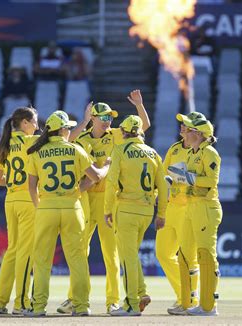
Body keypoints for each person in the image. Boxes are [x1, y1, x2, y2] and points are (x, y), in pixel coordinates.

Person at [58, 89, 151, 314]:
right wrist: (83, 120)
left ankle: (113, 301)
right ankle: (75, 297)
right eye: (105, 117)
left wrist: (139, 105)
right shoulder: (83, 137)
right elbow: (66, 139)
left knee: (112, 253)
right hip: (86, 198)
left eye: (111, 117)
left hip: (110, 199)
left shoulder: (116, 135)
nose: (109, 121)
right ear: (95, 119)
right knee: (81, 250)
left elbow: (144, 126)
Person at [24, 110, 111, 317]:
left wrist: (40, 207)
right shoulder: (75, 150)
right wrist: (107, 165)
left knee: (42, 261)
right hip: (72, 208)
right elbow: (96, 177)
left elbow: (31, 187)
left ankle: (38, 308)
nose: (70, 130)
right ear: (62, 130)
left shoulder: (36, 152)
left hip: (47, 208)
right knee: (78, 259)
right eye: (69, 128)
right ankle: (81, 306)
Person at [104, 115, 167, 316]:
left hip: (126, 209)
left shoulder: (120, 150)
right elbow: (163, 188)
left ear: (123, 132)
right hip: (147, 211)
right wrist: (161, 214)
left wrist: (107, 209)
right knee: (130, 255)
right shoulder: (154, 153)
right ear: (140, 132)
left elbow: (111, 183)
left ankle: (131, 304)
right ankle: (141, 293)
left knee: (128, 257)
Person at [168, 113, 222, 316]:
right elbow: (188, 180)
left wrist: (186, 177)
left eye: (189, 129)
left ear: (199, 134)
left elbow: (211, 182)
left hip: (206, 208)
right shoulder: (191, 153)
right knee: (184, 254)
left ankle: (208, 307)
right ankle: (186, 302)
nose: (184, 131)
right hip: (190, 207)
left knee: (205, 256)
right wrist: (175, 180)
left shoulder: (210, 153)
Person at [0, 107, 39, 315]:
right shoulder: (32, 142)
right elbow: (64, 140)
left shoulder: (5, 144)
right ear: (25, 123)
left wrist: (14, 183)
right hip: (28, 200)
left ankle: (0, 301)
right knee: (26, 252)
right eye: (35, 122)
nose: (38, 126)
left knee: (12, 251)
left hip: (10, 199)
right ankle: (20, 303)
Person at [156, 113, 204, 315]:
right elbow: (164, 175)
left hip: (189, 208)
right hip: (171, 207)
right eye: (182, 124)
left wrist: (181, 175)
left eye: (186, 125)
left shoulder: (201, 151)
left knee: (189, 258)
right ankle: (184, 296)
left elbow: (203, 180)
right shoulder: (175, 149)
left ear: (195, 130)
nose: (182, 127)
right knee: (163, 254)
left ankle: (191, 299)